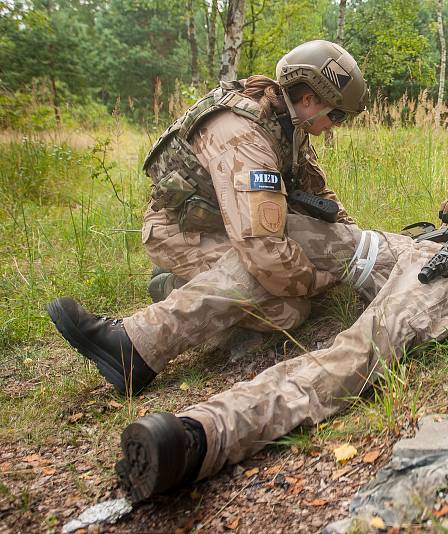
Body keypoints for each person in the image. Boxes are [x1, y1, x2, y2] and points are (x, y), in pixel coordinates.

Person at [112, 190, 448, 502]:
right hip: (423, 245)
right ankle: (139, 340)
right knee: (305, 232)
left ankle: (205, 434)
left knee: (360, 349)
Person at [46, 40, 368, 396]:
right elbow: (261, 249)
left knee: (290, 304)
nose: (333, 127)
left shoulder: (289, 126)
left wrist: (358, 245)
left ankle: (178, 286)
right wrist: (322, 278)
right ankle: (132, 344)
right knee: (277, 296)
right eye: (336, 115)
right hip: (180, 230)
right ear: (309, 99)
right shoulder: (242, 133)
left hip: (226, 227)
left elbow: (320, 197)